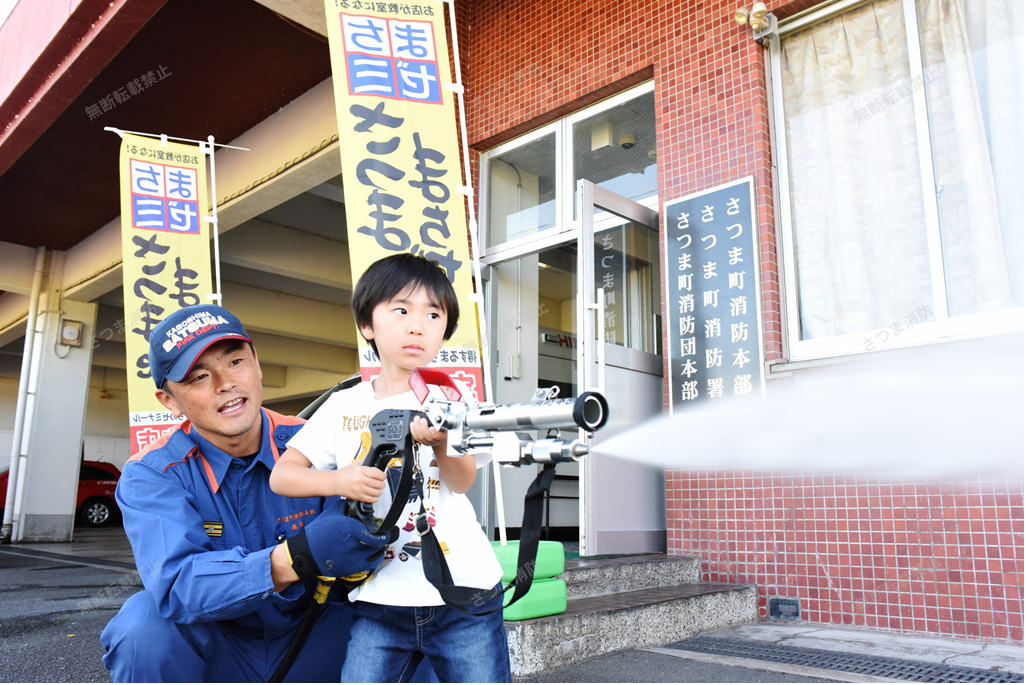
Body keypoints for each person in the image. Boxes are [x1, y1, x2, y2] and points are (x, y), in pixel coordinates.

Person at [99, 305, 396, 682]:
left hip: (316, 635)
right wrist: (294, 557)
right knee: (141, 628)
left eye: (236, 361)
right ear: (169, 401)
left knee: (420, 623)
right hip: (220, 648)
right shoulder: (153, 472)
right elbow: (178, 584)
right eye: (198, 377)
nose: (226, 383)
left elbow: (369, 540)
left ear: (257, 363)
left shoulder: (317, 441)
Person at [270, 254, 511, 683]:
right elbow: (283, 475)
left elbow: (462, 480)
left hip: (465, 595)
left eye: (433, 314)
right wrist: (339, 480)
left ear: (445, 329)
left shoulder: (455, 400)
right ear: (368, 324)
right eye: (401, 310)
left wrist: (442, 446)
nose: (417, 326)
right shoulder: (344, 405)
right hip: (378, 598)